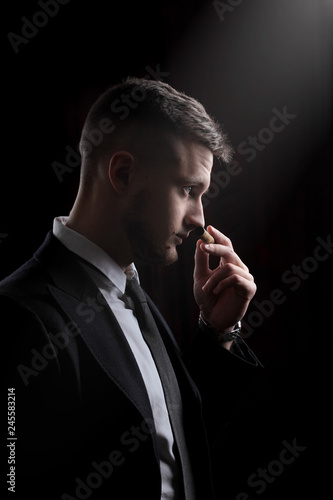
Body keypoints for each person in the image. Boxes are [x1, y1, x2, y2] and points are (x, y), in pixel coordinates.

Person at [1, 78, 262, 499]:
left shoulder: (135, 297)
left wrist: (217, 333)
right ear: (122, 173)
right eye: (188, 190)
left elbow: (174, 451)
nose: (199, 217)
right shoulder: (22, 313)